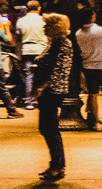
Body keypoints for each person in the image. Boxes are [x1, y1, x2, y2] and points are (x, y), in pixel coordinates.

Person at [31, 13, 75, 180]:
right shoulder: (55, 43)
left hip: (53, 91)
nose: (44, 28)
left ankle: (57, 165)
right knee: (47, 128)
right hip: (51, 90)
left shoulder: (62, 44)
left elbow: (57, 69)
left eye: (47, 25)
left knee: (49, 128)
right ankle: (56, 164)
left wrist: (42, 87)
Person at [74, 12, 102, 130]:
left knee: (93, 94)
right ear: (92, 17)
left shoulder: (78, 33)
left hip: (88, 66)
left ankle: (96, 121)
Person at [16, 0, 47, 108]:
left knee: (29, 76)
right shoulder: (44, 20)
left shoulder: (21, 21)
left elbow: (18, 36)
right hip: (42, 50)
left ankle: (30, 101)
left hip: (27, 50)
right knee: (43, 76)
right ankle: (41, 98)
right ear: (39, 8)